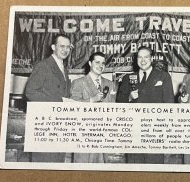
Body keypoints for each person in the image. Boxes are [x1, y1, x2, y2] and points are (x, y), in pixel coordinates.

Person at [116, 46, 174, 164]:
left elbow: (169, 103)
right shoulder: (127, 78)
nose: (143, 60)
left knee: (154, 164)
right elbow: (119, 103)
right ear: (136, 59)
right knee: (134, 165)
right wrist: (129, 98)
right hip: (134, 130)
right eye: (140, 57)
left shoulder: (163, 76)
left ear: (152, 58)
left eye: (146, 57)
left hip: (154, 129)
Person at [25, 34, 72, 162]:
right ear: (53, 47)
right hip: (45, 122)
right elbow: (30, 92)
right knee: (43, 161)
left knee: (57, 161)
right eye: (61, 46)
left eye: (68, 47)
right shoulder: (43, 66)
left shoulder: (63, 68)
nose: (65, 50)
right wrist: (56, 104)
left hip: (59, 123)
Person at [70, 52, 123, 163]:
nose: (101, 66)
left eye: (103, 63)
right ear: (90, 63)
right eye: (97, 62)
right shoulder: (78, 83)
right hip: (84, 136)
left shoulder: (111, 84)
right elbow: (72, 107)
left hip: (104, 136)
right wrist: (91, 100)